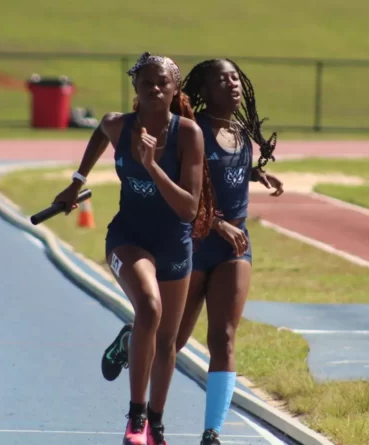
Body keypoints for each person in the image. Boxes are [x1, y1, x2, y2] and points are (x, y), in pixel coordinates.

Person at [100, 58, 283, 445]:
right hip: (196, 243)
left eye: (235, 78)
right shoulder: (189, 129)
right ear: (204, 90)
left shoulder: (239, 131)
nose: (233, 85)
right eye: (222, 80)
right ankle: (132, 342)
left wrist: (254, 173)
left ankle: (211, 432)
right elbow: (188, 192)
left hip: (235, 247)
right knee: (173, 341)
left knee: (224, 337)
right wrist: (216, 223)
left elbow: (222, 175)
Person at [52, 52, 215, 445]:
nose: (154, 88)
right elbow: (99, 133)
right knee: (150, 307)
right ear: (136, 89)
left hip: (173, 243)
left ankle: (156, 423)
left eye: (163, 83)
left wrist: (152, 165)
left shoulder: (188, 134)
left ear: (175, 88)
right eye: (146, 83)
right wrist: (76, 181)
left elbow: (188, 208)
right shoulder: (118, 125)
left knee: (168, 341)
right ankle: (136, 417)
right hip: (128, 238)